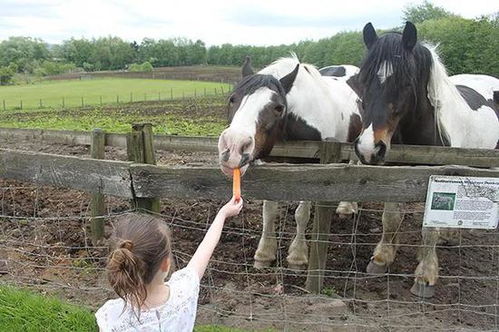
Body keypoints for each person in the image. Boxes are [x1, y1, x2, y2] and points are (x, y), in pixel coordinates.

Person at [95, 197, 243, 331]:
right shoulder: (183, 293)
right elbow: (205, 248)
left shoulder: (112, 318)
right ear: (165, 264)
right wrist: (222, 214)